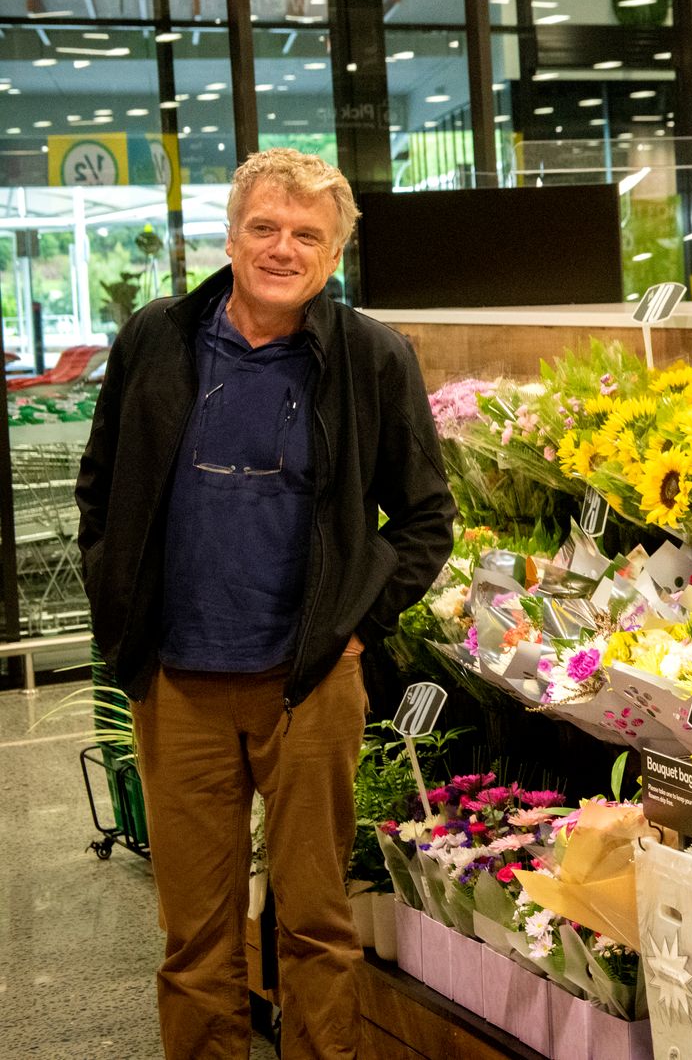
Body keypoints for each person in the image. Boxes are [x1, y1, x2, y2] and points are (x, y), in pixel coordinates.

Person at [77, 149, 455, 1059]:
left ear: (333, 255)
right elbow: (103, 485)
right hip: (178, 682)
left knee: (317, 925)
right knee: (195, 936)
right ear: (233, 233)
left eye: (306, 236)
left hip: (309, 686)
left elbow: (426, 517)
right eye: (266, 228)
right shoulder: (156, 338)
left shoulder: (370, 356)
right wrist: (116, 592)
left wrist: (359, 627)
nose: (283, 248)